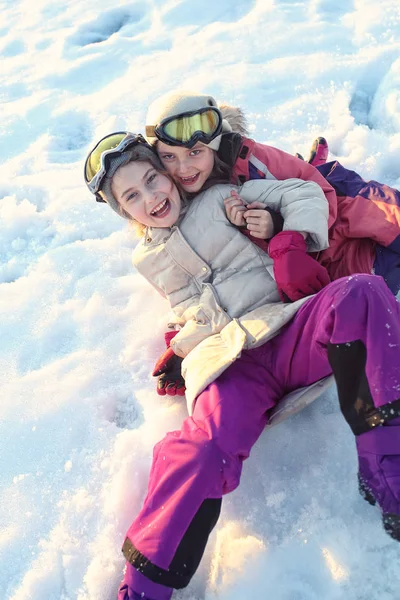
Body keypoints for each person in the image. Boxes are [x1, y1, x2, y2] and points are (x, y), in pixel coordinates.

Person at [84, 133, 400, 600]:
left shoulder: (220, 197)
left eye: (153, 179)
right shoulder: (145, 258)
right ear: (122, 211)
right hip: (231, 367)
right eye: (133, 195)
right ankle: (143, 589)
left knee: (363, 293)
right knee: (201, 450)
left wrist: (278, 228)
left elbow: (303, 194)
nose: (152, 197)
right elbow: (191, 303)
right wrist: (182, 343)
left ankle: (388, 473)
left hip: (289, 329)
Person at [145, 90, 400, 296]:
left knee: (388, 218)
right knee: (373, 286)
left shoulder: (251, 161)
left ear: (214, 147)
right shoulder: (163, 203)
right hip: (293, 272)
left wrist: (283, 227)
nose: (184, 167)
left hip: (331, 213)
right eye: (169, 156)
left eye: (195, 152)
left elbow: (319, 191)